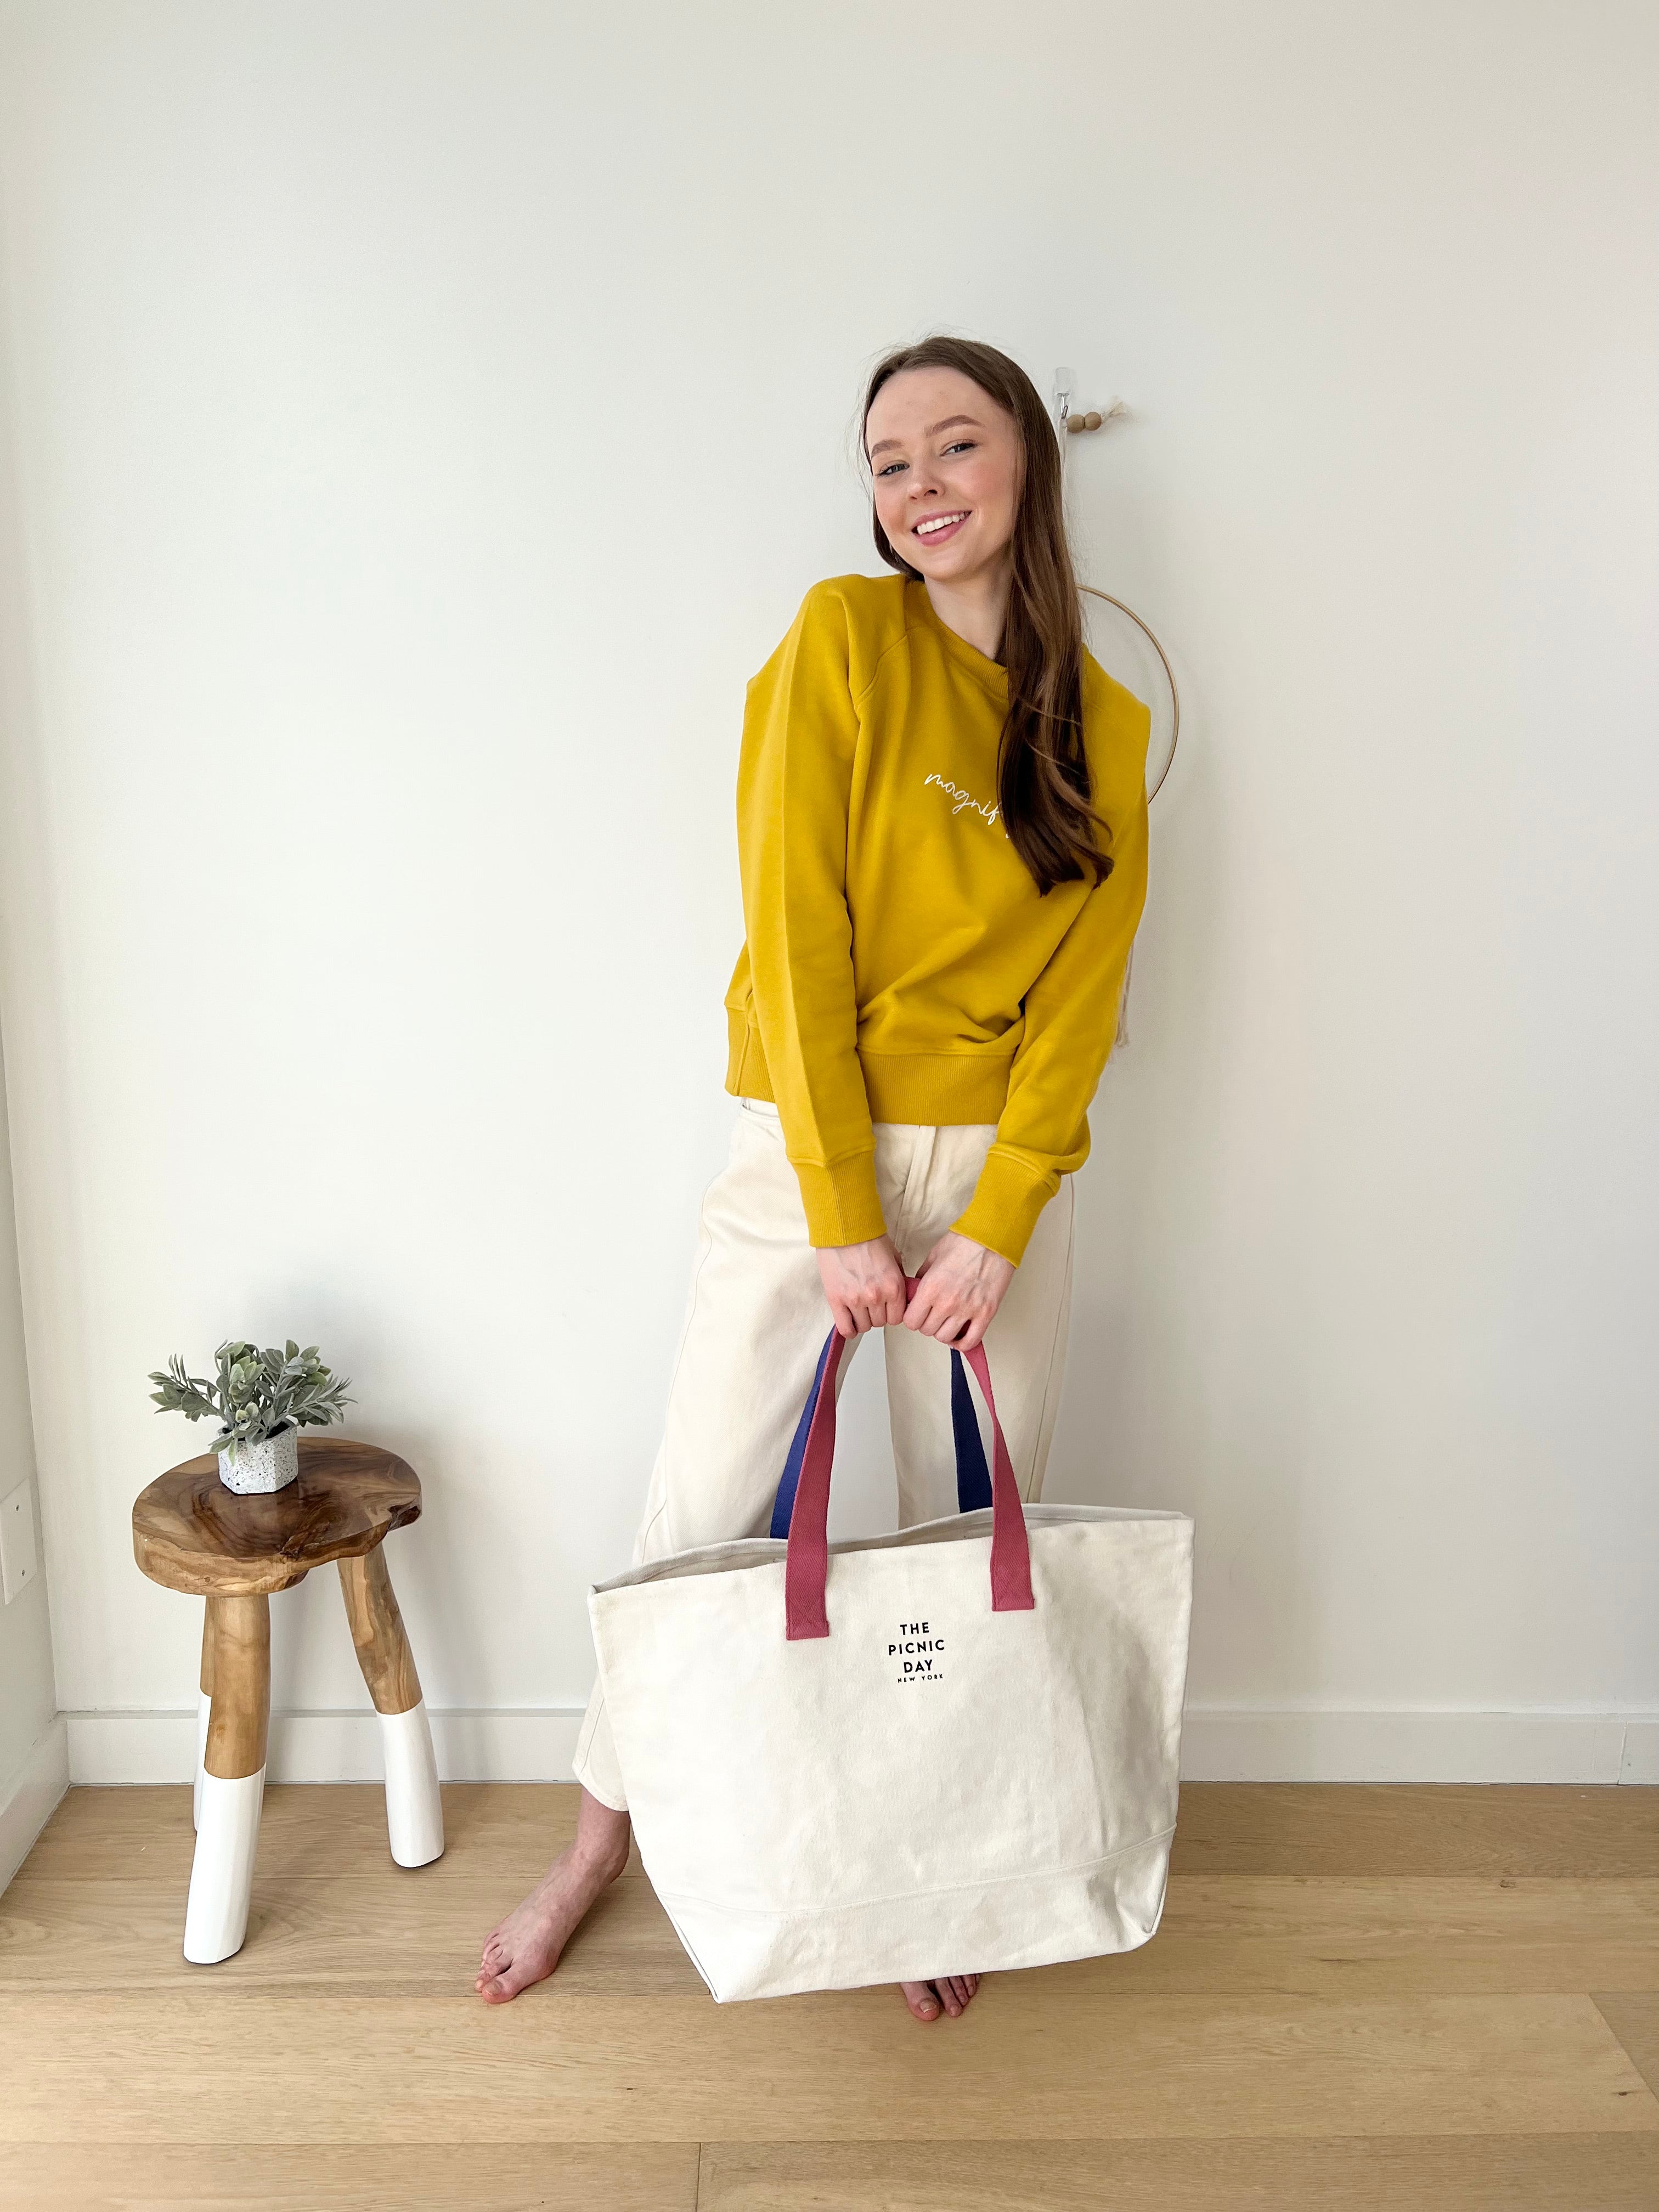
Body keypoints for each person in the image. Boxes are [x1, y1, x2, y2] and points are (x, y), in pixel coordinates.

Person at [476, 335, 1151, 2024]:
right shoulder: (842, 645)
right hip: (808, 1152)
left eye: (954, 446)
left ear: (1028, 469)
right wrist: (843, 1207)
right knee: (701, 1510)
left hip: (1001, 1175)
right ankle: (592, 1852)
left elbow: (1087, 998)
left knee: (956, 1533)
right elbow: (792, 929)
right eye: (887, 461)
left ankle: (943, 1860)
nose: (919, 487)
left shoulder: (1109, 718)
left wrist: (1000, 1220)